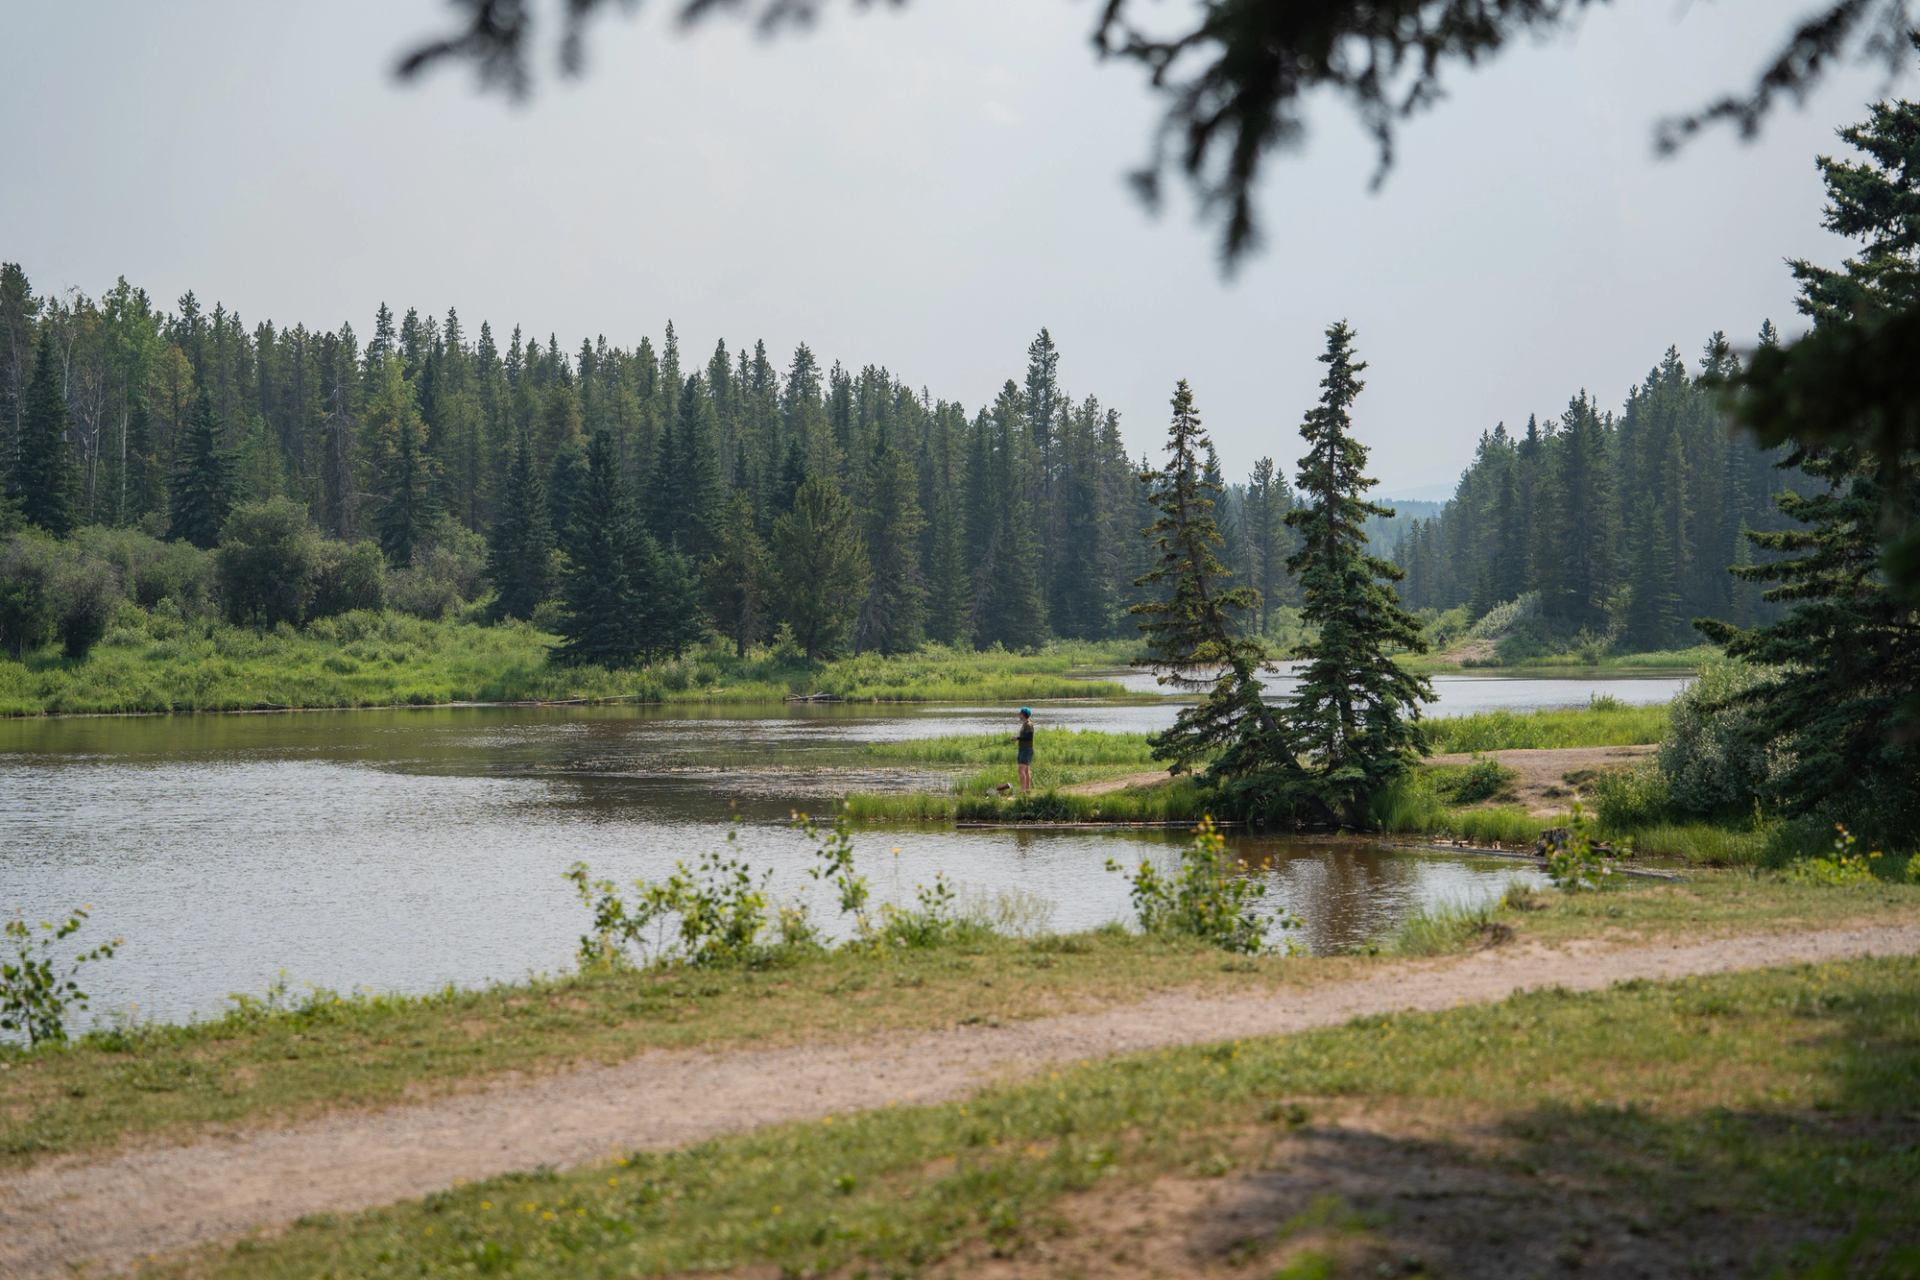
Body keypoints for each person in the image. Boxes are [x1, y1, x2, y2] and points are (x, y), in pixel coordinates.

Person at [1011, 706, 1034, 794]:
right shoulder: (1025, 724)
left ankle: (1023, 791)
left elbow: (1029, 737)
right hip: (1024, 749)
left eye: (1020, 713)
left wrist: (1017, 738)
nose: (1019, 715)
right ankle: (1027, 790)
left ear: (1023, 715)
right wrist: (1018, 739)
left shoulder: (1028, 724)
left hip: (1026, 750)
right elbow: (1026, 737)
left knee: (1021, 770)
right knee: (1026, 770)